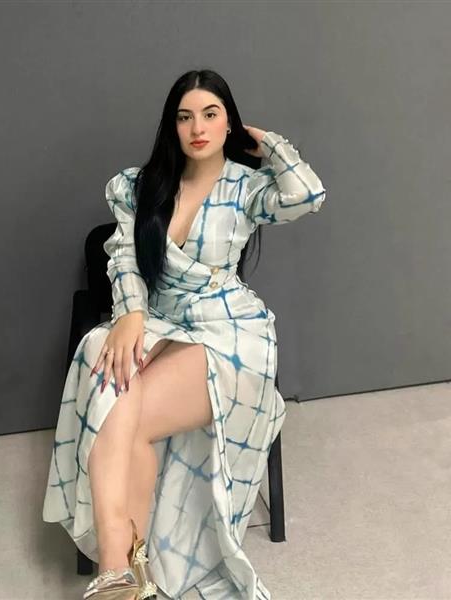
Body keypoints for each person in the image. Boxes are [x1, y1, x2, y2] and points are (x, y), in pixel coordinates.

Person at [42, 69, 327, 600]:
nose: (197, 128)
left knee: (116, 416)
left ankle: (116, 577)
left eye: (211, 115)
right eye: (185, 116)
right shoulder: (140, 186)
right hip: (159, 322)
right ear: (171, 126)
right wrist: (130, 314)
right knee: (111, 391)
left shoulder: (246, 187)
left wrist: (266, 143)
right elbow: (124, 257)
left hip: (228, 333)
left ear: (228, 123)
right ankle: (122, 574)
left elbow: (307, 194)